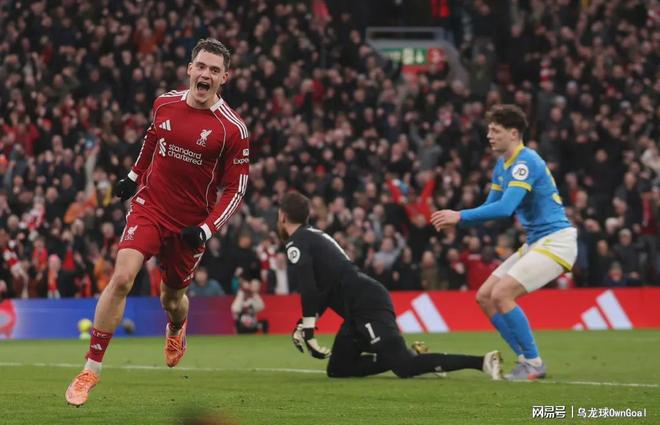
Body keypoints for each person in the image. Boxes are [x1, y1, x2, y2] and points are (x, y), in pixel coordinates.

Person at [65, 38, 250, 406]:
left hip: (190, 225)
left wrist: (206, 229)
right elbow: (153, 137)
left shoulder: (232, 129)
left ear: (224, 78)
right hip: (150, 207)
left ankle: (177, 328)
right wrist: (134, 176)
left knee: (172, 298)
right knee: (122, 278)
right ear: (190, 69)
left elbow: (236, 189)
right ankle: (90, 369)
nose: (206, 74)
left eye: (214, 70)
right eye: (201, 66)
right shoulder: (165, 103)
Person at [278, 191, 502, 380]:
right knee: (338, 369)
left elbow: (308, 288)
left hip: (366, 304)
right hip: (358, 307)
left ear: (282, 216)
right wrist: (306, 323)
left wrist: (309, 330)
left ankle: (482, 362)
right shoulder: (313, 236)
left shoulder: (297, 242)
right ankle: (408, 355)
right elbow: (324, 289)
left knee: (404, 367)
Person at [431, 104, 577, 380]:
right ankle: (525, 360)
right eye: (489, 130)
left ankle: (534, 363)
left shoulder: (525, 162)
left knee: (502, 294)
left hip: (556, 241)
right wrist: (458, 221)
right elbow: (491, 207)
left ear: (513, 133)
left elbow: (505, 208)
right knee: (485, 297)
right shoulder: (502, 166)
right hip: (536, 242)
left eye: (496, 130)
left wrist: (459, 216)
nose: (489, 135)